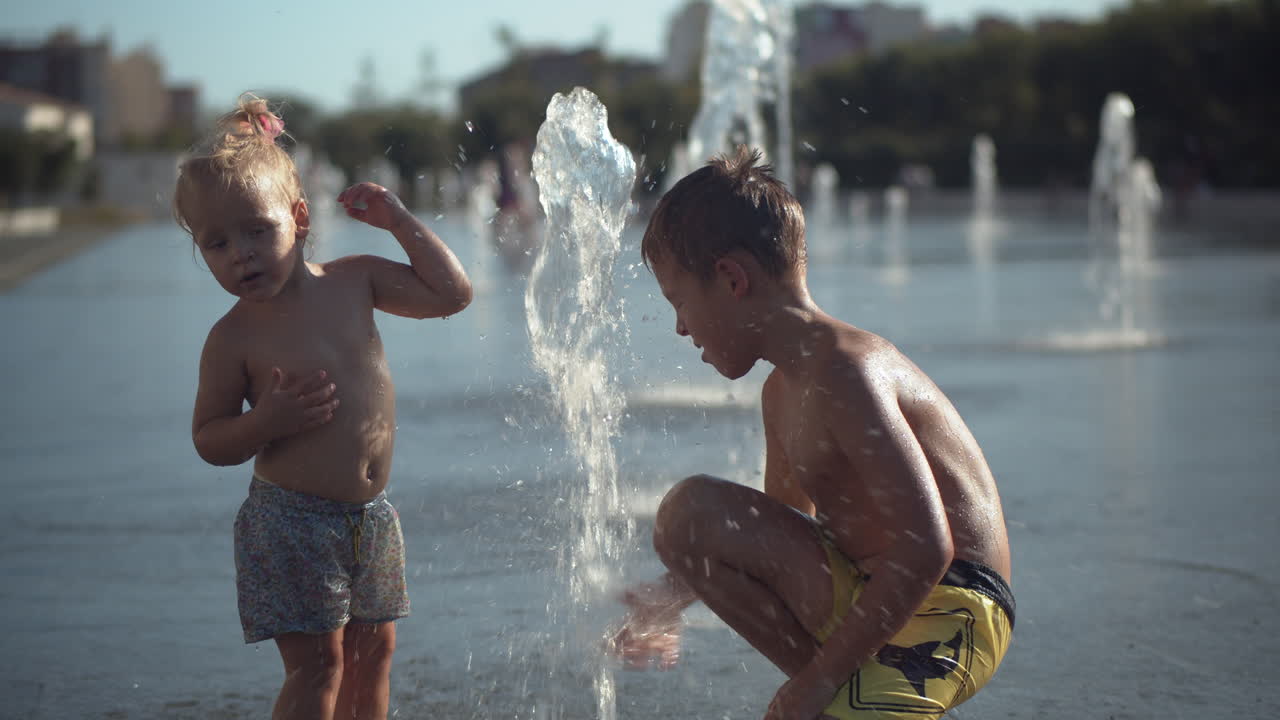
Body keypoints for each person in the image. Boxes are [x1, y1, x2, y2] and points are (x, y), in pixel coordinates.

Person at [611, 146, 1014, 720]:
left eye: (680, 303)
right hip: (870, 589)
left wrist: (816, 681)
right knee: (690, 519)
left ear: (730, 278)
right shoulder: (782, 390)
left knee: (693, 511)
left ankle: (832, 693)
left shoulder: (847, 370)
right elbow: (774, 526)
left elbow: (928, 545)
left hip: (952, 606)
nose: (680, 328)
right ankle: (842, 700)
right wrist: (669, 597)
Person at [174, 94, 472, 720]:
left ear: (300, 217)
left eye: (258, 230)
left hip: (371, 517)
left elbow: (453, 294)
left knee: (374, 655)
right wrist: (266, 422)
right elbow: (208, 438)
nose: (241, 254)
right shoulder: (233, 337)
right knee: (319, 666)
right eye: (217, 243)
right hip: (291, 523)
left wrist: (399, 222)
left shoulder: (354, 280)